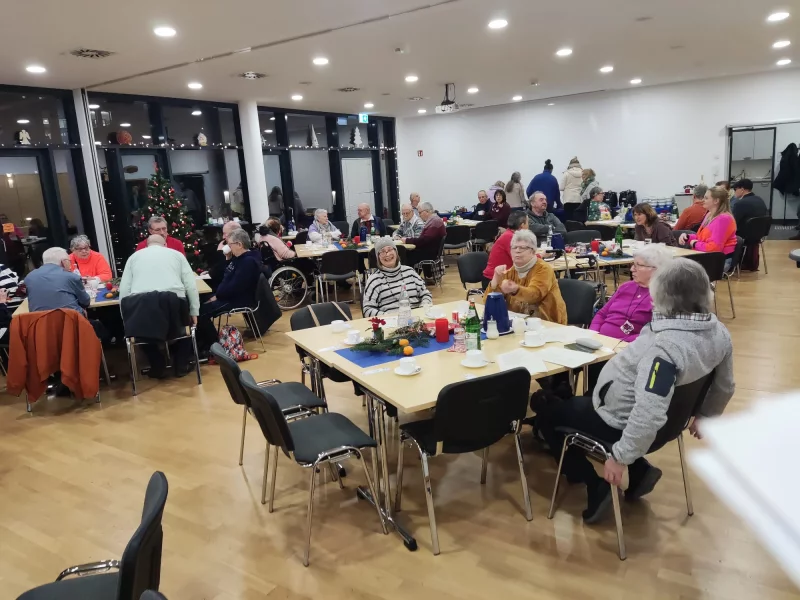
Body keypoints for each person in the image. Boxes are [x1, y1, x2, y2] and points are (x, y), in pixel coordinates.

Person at [536, 259, 735, 523]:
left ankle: (594, 484)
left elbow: (649, 413)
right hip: (670, 423)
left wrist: (620, 458)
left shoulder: (664, 349)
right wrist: (707, 414)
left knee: (547, 414)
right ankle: (639, 470)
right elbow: (725, 385)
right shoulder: (718, 331)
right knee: (571, 403)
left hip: (618, 420)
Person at [119, 235, 200, 378]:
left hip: (142, 305)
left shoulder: (133, 258)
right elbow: (191, 286)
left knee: (142, 333)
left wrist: (127, 318)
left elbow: (124, 290)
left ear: (146, 245)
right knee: (185, 329)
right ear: (165, 245)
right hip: (174, 302)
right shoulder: (177, 255)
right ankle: (181, 365)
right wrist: (194, 311)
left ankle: (157, 364)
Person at [197, 228, 263, 353]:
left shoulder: (248, 262)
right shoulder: (238, 258)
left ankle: (213, 346)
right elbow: (225, 275)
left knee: (200, 312)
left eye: (229, 244)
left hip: (238, 299)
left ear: (239, 244)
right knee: (199, 304)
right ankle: (204, 342)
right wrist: (227, 258)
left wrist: (217, 296)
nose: (228, 247)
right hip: (228, 295)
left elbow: (235, 286)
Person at [590, 244, 672, 342]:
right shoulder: (626, 286)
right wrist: (593, 334)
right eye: (633, 264)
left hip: (628, 347)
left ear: (656, 269)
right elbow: (602, 314)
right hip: (598, 342)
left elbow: (654, 333)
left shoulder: (663, 296)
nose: (632, 269)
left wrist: (620, 342)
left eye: (638, 265)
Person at [24, 247, 108, 341]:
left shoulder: (29, 277)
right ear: (63, 262)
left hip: (41, 329)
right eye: (69, 261)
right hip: (71, 326)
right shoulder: (71, 277)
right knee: (98, 327)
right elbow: (85, 302)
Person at [483, 229, 567, 324]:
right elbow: (488, 303)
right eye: (514, 247)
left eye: (522, 248)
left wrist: (516, 290)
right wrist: (495, 280)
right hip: (518, 325)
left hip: (548, 324)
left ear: (533, 251)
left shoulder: (543, 269)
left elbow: (535, 295)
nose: (517, 251)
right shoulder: (509, 272)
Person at [362, 238, 432, 317]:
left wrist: (423, 308)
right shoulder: (374, 280)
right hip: (390, 321)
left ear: (396, 252)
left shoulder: (410, 272)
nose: (387, 254)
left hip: (417, 318)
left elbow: (426, 294)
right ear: (378, 257)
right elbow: (367, 309)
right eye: (382, 252)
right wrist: (388, 317)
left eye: (390, 249)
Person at [679, 186, 738, 271]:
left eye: (706, 198)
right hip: (705, 256)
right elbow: (701, 237)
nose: (703, 200)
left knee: (680, 269)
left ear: (716, 201)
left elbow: (715, 248)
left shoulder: (723, 219)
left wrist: (694, 244)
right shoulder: (709, 215)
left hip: (717, 261)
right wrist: (688, 238)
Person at [482, 210, 528, 289]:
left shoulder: (510, 234)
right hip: (494, 280)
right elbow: (522, 260)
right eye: (528, 223)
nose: (529, 226)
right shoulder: (510, 237)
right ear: (522, 225)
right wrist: (541, 255)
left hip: (505, 277)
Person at [559, 157, 584, 221]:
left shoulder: (566, 173)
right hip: (579, 199)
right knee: (577, 219)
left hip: (568, 199)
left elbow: (561, 187)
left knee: (569, 219)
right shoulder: (583, 173)